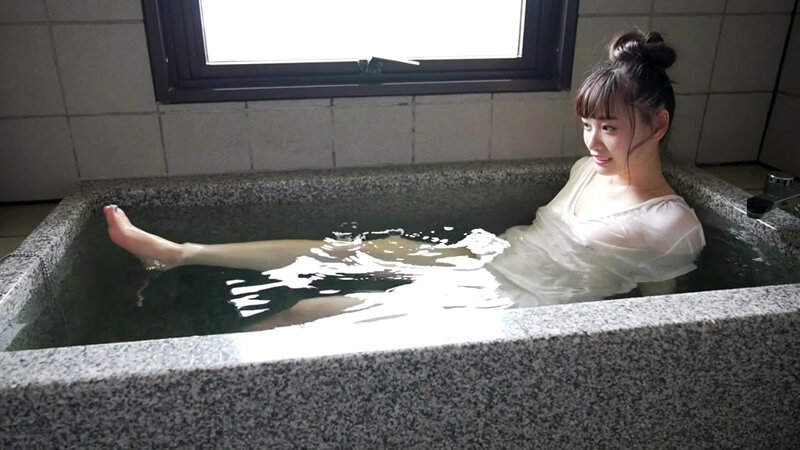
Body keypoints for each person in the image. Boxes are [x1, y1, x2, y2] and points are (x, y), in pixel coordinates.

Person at [104, 29, 705, 329]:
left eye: (610, 128)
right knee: (354, 249)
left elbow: (660, 319)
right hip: (488, 260)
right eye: (588, 125)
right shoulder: (586, 168)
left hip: (511, 303)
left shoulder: (669, 224)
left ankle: (196, 382)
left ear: (658, 124)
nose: (593, 142)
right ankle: (179, 253)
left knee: (310, 309)